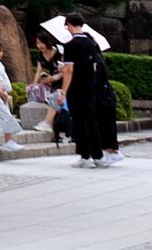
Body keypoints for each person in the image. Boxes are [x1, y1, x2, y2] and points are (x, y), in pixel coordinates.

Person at [51, 14, 120, 167]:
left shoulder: (70, 45)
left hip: (76, 88)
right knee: (91, 122)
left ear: (68, 24)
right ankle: (98, 156)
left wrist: (63, 92)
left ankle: (85, 156)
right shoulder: (90, 43)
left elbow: (69, 70)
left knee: (79, 122)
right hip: (90, 87)